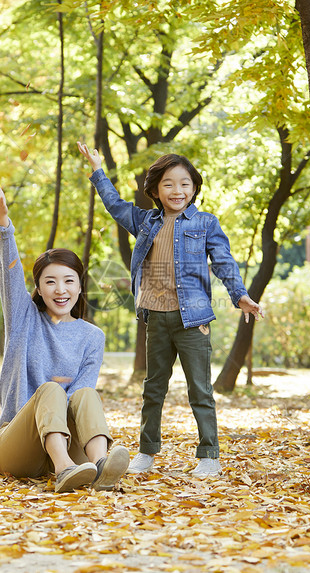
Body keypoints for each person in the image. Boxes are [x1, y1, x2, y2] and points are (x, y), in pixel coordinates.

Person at [77, 142, 264, 478]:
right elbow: (115, 205)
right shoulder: (146, 222)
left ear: (194, 189)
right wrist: (97, 171)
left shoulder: (206, 223)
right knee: (153, 389)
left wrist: (240, 296)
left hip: (193, 321)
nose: (177, 190)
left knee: (200, 390)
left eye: (184, 184)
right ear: (156, 189)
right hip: (155, 317)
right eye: (168, 184)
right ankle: (147, 452)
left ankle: (209, 455)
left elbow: (224, 262)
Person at [0, 175, 129, 493]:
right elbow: (9, 271)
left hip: (69, 446)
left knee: (87, 394)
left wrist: (65, 392)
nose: (60, 289)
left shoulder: (92, 337)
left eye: (68, 281)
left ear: (79, 287)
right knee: (51, 390)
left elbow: (79, 398)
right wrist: (2, 220)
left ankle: (102, 467)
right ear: (38, 288)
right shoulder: (23, 319)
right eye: (50, 281)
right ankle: (64, 470)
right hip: (16, 448)